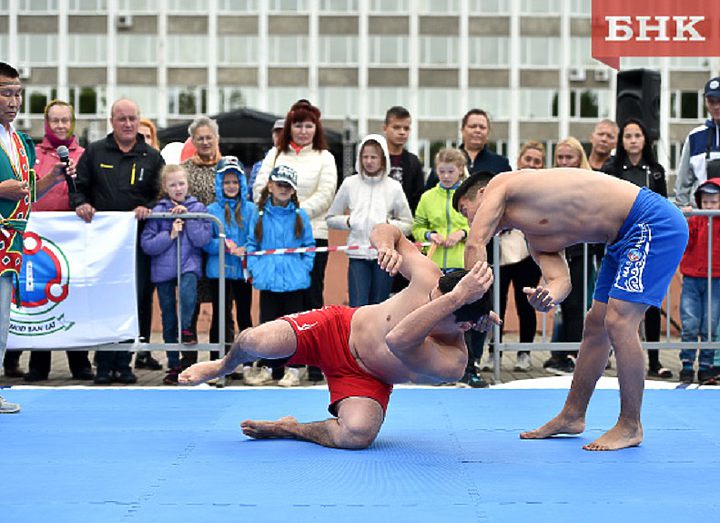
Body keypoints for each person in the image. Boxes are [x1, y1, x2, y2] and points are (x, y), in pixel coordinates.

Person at [179, 223, 496, 449]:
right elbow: (387, 229)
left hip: (368, 378)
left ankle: (291, 429)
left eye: (442, 305)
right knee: (253, 341)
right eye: (437, 296)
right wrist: (386, 246)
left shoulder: (453, 362)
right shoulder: (430, 278)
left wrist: (454, 301)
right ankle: (223, 365)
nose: (433, 299)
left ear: (464, 326)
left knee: (358, 435)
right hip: (336, 328)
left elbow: (398, 339)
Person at [456, 168, 688, 450]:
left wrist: (475, 307)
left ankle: (630, 424)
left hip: (651, 221)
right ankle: (572, 415)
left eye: (465, 210)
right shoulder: (536, 239)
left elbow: (475, 243)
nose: (468, 220)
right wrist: (548, 297)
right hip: (620, 240)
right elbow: (560, 281)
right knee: (595, 326)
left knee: (619, 322)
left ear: (482, 194)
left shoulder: (502, 184)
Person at [71, 98, 164, 385]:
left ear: (139, 121)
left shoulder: (151, 156)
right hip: (101, 244)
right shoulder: (95, 151)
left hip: (136, 243)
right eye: (121, 119)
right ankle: (102, 364)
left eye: (132, 119)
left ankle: (124, 363)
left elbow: (159, 194)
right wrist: (81, 203)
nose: (127, 124)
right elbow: (79, 187)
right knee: (102, 299)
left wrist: (148, 207)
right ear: (112, 120)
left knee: (133, 300)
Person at [0, 62, 75, 411]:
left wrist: (53, 179)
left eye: (17, 93)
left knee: (1, 319)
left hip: (10, 246)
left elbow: (26, 192)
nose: (13, 101)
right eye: (6, 93)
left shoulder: (20, 141)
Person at [253, 100, 337, 383]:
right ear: (290, 127)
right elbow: (258, 189)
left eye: (309, 125)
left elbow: (326, 194)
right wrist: (281, 218)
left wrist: (296, 216)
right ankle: (273, 363)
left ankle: (310, 361)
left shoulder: (325, 156)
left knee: (311, 301)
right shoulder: (275, 154)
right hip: (275, 239)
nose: (303, 130)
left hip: (311, 234)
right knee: (274, 306)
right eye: (298, 125)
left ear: (316, 128)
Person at [14, 99, 94, 383]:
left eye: (65, 120)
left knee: (73, 297)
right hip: (40, 240)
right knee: (39, 298)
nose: (60, 125)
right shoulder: (32, 153)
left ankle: (80, 362)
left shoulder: (85, 155)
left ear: (72, 123)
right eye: (54, 120)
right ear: (46, 124)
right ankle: (38, 363)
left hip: (73, 238)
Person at [602, 118, 672, 380]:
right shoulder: (611, 168)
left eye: (637, 135)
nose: (632, 140)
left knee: (649, 302)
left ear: (645, 140)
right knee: (614, 301)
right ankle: (610, 353)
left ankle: (653, 360)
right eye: (628, 135)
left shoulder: (656, 170)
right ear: (621, 141)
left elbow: (663, 206)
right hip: (620, 241)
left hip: (649, 244)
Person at [412, 148, 482, 387]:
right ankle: (435, 371)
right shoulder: (428, 197)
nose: (445, 175)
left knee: (466, 318)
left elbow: (480, 224)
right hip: (434, 265)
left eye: (450, 171)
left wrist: (462, 233)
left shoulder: (468, 198)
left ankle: (469, 368)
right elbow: (417, 226)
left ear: (460, 170)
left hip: (461, 263)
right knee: (437, 318)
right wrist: (430, 235)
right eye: (441, 171)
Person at [246, 165, 316, 387]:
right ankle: (269, 367)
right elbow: (251, 245)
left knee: (294, 327)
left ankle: (293, 369)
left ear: (294, 190)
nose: (283, 189)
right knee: (268, 326)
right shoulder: (259, 215)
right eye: (279, 185)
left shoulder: (300, 215)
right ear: (270, 186)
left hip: (294, 282)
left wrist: (303, 268)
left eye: (288, 186)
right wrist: (257, 269)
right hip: (268, 281)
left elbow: (309, 246)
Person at [140, 164, 211, 384]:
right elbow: (147, 245)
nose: (178, 188)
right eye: (172, 184)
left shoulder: (197, 207)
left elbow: (203, 239)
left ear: (188, 184)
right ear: (165, 187)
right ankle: (173, 363)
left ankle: (187, 326)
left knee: (189, 296)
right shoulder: (158, 211)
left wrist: (189, 219)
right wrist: (170, 234)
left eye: (181, 183)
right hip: (164, 271)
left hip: (188, 265)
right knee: (168, 316)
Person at [327, 134, 412, 307]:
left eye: (374, 157)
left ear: (383, 159)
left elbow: (408, 224)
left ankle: (380, 336)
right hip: (357, 255)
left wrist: (389, 226)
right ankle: (356, 335)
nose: (369, 161)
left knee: (380, 306)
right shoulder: (350, 184)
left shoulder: (394, 187)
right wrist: (349, 221)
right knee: (358, 306)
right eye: (365, 156)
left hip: (384, 256)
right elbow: (330, 218)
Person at [541, 137, 595, 376]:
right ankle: (559, 353)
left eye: (569, 157)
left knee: (577, 304)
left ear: (579, 158)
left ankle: (573, 354)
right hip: (558, 250)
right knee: (561, 304)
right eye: (560, 157)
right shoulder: (550, 182)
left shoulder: (591, 181)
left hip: (582, 250)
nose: (564, 162)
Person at [493, 141, 545, 372]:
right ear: (519, 159)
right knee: (497, 304)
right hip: (501, 252)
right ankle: (493, 351)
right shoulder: (506, 183)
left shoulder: (545, 189)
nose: (531, 164)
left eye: (536, 161)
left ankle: (524, 352)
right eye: (528, 159)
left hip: (528, 253)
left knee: (526, 305)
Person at [203, 156, 255, 372]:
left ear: (241, 183)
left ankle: (248, 362)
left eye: (235, 182)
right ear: (219, 184)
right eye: (226, 182)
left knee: (244, 315)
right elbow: (206, 241)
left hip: (242, 270)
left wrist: (246, 249)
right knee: (220, 316)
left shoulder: (250, 209)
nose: (231, 186)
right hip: (219, 271)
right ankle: (217, 361)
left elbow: (255, 238)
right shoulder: (211, 210)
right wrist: (223, 245)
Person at [180, 116, 222, 366]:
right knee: (191, 303)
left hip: (219, 248)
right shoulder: (183, 168)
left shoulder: (228, 166)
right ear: (193, 141)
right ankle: (188, 361)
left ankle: (221, 361)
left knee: (221, 304)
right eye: (200, 138)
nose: (205, 142)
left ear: (217, 139)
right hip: (192, 247)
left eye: (209, 137)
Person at [678, 179, 720, 384]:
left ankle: (706, 366)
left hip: (716, 280)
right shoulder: (695, 220)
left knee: (710, 324)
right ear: (699, 202)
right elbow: (686, 243)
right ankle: (687, 364)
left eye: (714, 202)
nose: (710, 207)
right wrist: (685, 220)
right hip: (693, 278)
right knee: (690, 323)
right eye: (706, 202)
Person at [423, 108, 511, 191]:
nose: (477, 130)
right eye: (473, 126)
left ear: (488, 132)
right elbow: (429, 193)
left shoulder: (501, 164)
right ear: (462, 130)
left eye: (482, 127)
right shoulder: (446, 160)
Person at [674, 76, 720, 208]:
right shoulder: (695, 136)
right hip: (702, 219)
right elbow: (682, 183)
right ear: (706, 102)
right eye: (711, 101)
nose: (716, 106)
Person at [382, 106, 425, 214]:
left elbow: (418, 198)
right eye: (396, 127)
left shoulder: (413, 162)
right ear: (385, 129)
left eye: (406, 128)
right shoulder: (372, 158)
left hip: (405, 222)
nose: (402, 132)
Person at [248, 118, 284, 201]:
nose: (280, 137)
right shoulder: (259, 166)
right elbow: (251, 191)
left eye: (284, 134)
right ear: (273, 136)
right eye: (277, 134)